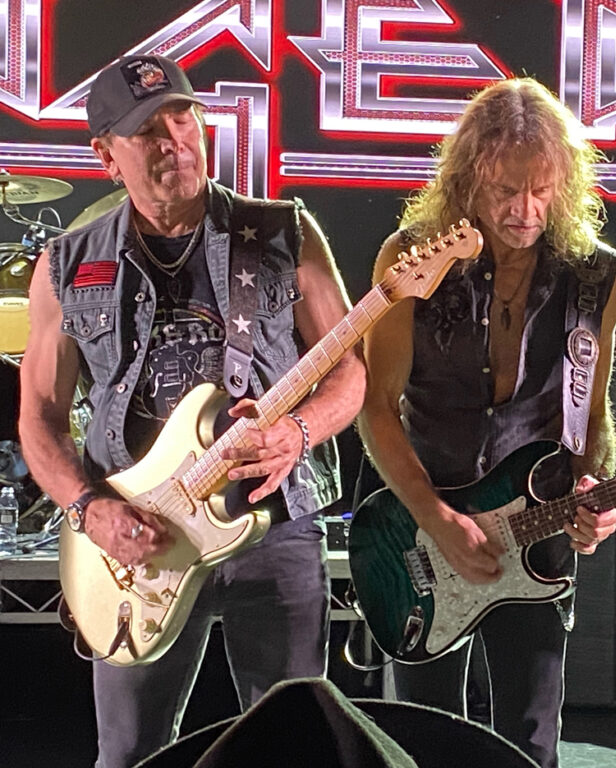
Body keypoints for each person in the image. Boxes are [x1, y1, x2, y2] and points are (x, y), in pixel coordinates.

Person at [17, 55, 366, 768]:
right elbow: (39, 418)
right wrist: (90, 510)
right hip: (137, 538)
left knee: (295, 747)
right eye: (149, 130)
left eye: (183, 118)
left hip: (273, 524)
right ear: (106, 155)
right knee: (131, 753)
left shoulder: (283, 233)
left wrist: (299, 431)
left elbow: (350, 371)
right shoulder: (66, 264)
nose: (174, 140)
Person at [356, 77, 616, 768]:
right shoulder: (412, 258)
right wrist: (436, 518)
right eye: (506, 190)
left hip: (535, 533)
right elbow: (376, 405)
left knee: (531, 746)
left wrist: (593, 493)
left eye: (541, 190)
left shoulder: (595, 277)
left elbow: (591, 414)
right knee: (422, 742)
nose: (524, 210)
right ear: (468, 178)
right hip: (420, 530)